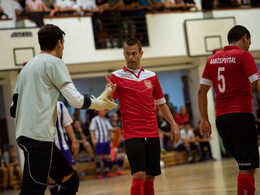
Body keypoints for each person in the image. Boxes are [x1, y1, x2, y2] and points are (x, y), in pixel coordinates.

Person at [10, 24, 117, 195]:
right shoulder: (54, 63)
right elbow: (75, 100)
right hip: (37, 138)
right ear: (60, 43)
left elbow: (13, 110)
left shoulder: (25, 69)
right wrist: (99, 103)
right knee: (32, 190)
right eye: (63, 44)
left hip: (32, 137)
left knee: (70, 180)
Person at [107, 38, 180, 195]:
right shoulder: (116, 76)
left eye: (134, 53)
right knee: (139, 173)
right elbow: (107, 104)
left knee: (150, 176)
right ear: (123, 54)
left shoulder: (152, 76)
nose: (131, 57)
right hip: (132, 133)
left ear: (141, 53)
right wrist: (108, 92)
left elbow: (161, 104)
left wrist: (174, 124)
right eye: (127, 54)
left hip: (152, 132)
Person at [198, 25, 259, 195]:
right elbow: (257, 83)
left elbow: (201, 91)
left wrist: (204, 119)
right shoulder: (243, 55)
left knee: (244, 165)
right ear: (245, 37)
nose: (249, 46)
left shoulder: (212, 59)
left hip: (222, 120)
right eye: (249, 42)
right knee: (247, 168)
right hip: (241, 116)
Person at [49, 101, 80, 195]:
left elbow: (67, 125)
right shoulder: (39, 104)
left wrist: (74, 141)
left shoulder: (60, 105)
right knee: (51, 177)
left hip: (63, 145)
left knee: (71, 171)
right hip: (49, 147)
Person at [89, 110, 115, 179]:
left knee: (108, 156)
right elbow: (91, 130)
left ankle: (107, 172)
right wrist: (93, 139)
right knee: (98, 157)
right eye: (102, 110)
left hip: (106, 141)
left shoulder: (106, 120)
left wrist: (115, 130)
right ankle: (99, 173)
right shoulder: (94, 119)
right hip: (99, 141)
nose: (104, 111)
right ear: (98, 111)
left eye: (104, 110)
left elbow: (110, 129)